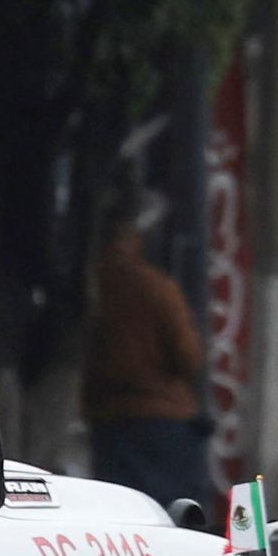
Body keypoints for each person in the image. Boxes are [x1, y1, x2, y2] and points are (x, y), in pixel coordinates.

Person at [83, 198, 213, 516]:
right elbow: (188, 356)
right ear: (133, 239)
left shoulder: (90, 288)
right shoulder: (156, 287)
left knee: (122, 515)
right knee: (177, 512)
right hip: (163, 418)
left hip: (109, 420)